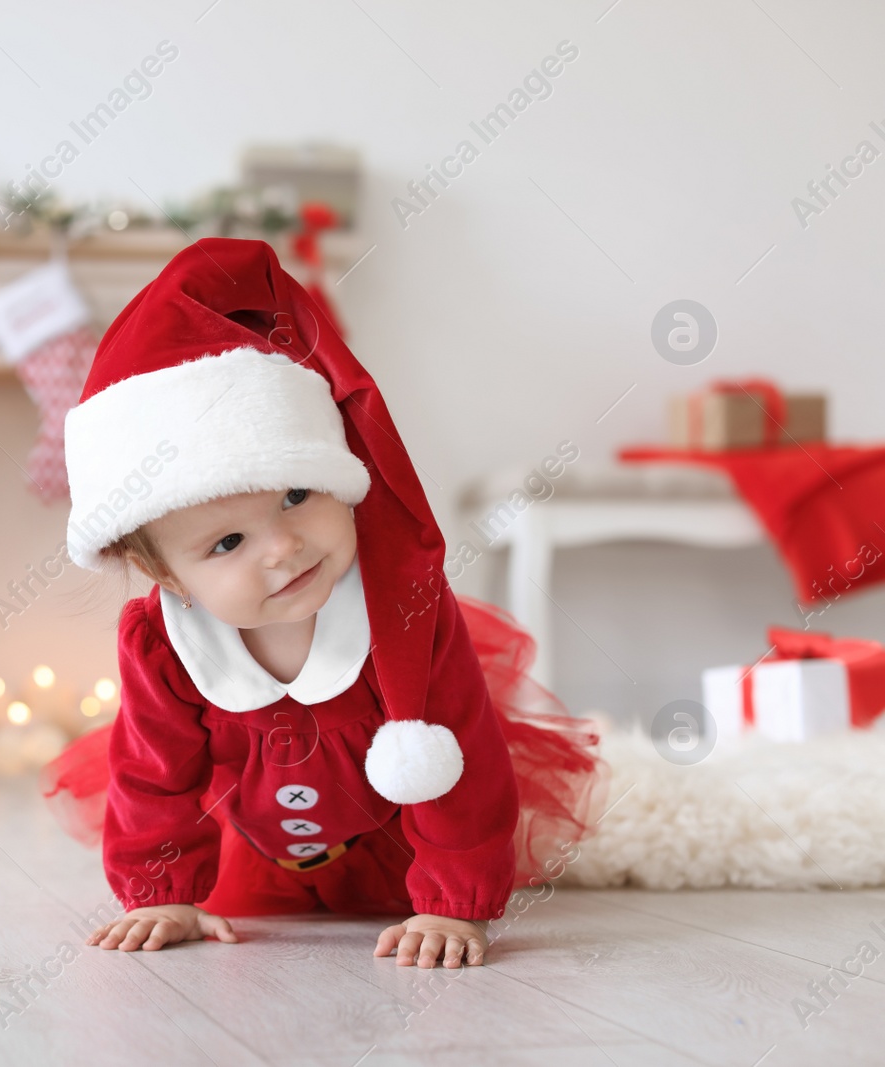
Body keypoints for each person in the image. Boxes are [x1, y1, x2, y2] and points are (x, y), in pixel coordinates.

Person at [40, 237, 606, 970]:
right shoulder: (163, 639)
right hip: (261, 839)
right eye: (228, 542)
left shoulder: (401, 614)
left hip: (401, 838)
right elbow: (156, 774)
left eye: (298, 495)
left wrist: (450, 902)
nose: (282, 547)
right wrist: (162, 889)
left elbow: (461, 757)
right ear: (171, 580)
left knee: (443, 760)